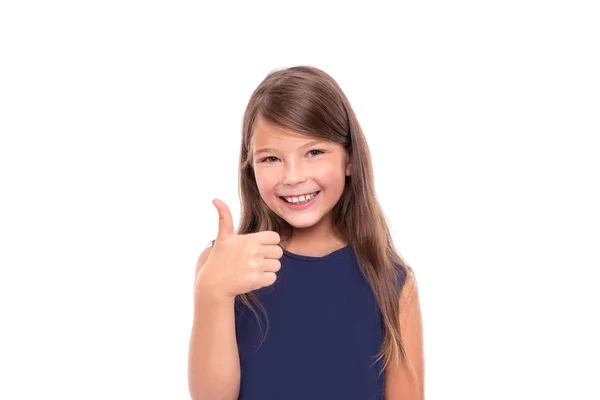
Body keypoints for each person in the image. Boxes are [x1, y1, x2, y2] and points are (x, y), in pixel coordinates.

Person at [188, 65, 424, 400]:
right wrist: (212, 293)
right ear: (250, 166)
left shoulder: (392, 280)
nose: (293, 176)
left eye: (314, 152)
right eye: (271, 158)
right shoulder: (223, 266)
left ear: (350, 159)